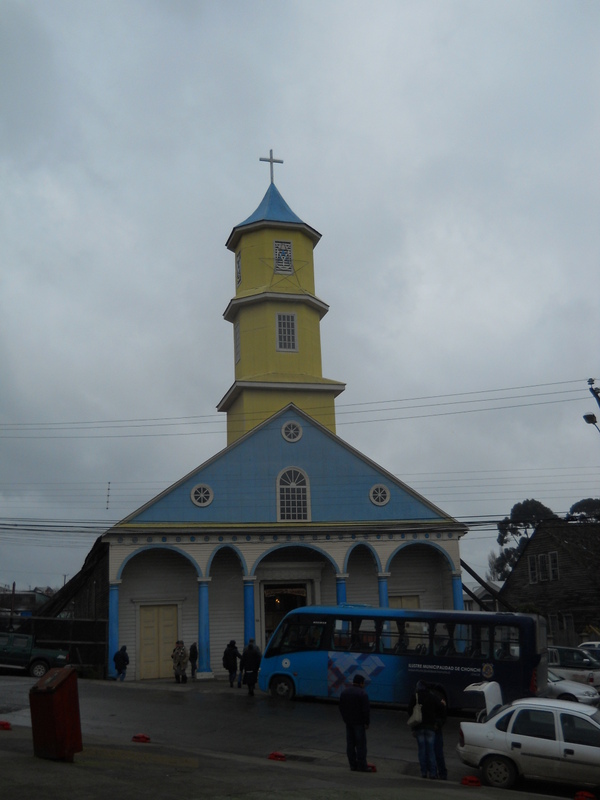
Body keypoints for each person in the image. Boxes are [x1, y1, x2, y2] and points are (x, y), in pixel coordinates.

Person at [407, 679, 445, 779]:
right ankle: (433, 773)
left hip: (419, 727)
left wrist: (414, 725)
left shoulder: (415, 696)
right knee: (431, 751)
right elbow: (441, 708)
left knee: (422, 750)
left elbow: (409, 710)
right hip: (430, 728)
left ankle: (423, 772)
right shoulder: (432, 696)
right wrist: (437, 723)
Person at [339, 674, 374, 772]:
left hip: (348, 722)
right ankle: (362, 766)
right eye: (363, 683)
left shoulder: (345, 692)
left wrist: (345, 719)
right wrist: (366, 722)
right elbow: (366, 710)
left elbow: (341, 707)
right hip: (359, 723)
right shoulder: (363, 694)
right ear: (361, 683)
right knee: (361, 745)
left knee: (350, 744)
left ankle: (353, 765)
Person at [428, 682, 448, 780]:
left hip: (430, 727)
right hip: (437, 728)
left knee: (430, 751)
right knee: (439, 752)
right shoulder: (442, 698)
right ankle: (442, 773)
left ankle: (433, 772)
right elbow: (443, 716)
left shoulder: (431, 697)